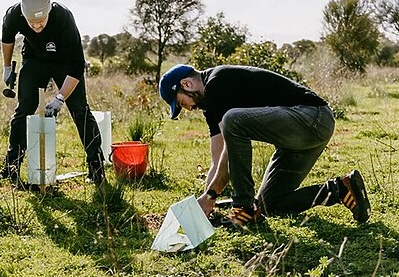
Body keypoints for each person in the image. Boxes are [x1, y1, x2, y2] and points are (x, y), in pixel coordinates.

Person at [158, 64, 371, 226]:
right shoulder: (209, 107)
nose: (188, 108)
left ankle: (243, 207)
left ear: (187, 84)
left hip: (313, 117)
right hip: (297, 139)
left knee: (234, 120)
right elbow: (218, 159)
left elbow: (230, 149)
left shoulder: (217, 83)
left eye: (182, 103)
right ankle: (340, 189)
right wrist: (206, 204)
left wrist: (211, 196)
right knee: (269, 204)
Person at [0, 0, 105, 185]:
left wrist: (60, 98)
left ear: (48, 12)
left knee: (80, 110)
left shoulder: (63, 18)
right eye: (32, 22)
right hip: (35, 59)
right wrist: (6, 67)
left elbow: (77, 65)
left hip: (65, 63)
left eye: (41, 21)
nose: (37, 26)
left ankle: (96, 168)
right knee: (23, 110)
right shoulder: (13, 15)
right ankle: (10, 167)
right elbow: (7, 38)